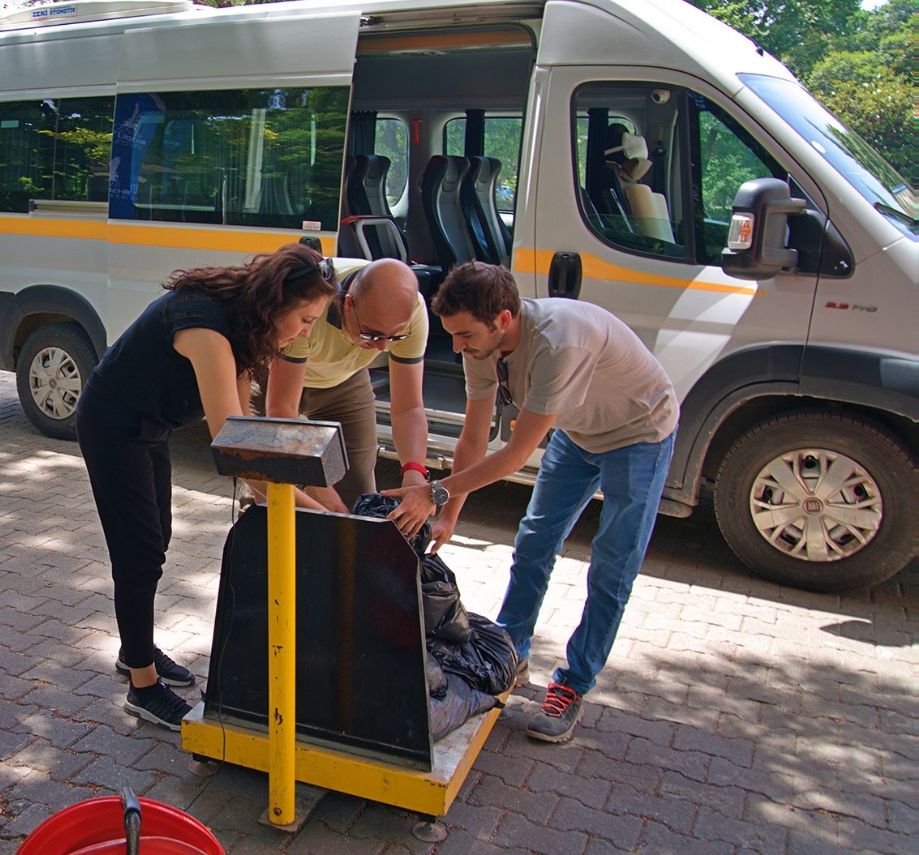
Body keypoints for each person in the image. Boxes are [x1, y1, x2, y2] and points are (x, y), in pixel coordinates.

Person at [383, 262, 677, 743]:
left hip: (638, 434)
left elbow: (515, 455)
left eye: (464, 335)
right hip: (579, 432)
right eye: (451, 335)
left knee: (611, 567)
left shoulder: (559, 342)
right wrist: (449, 516)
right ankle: (509, 652)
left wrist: (434, 493)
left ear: (503, 318)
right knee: (535, 542)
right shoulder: (481, 345)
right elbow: (475, 436)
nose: (456, 346)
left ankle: (573, 685)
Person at [76, 244, 338, 730]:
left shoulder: (242, 325)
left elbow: (246, 428)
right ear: (276, 302)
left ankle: (136, 649)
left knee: (159, 537)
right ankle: (143, 686)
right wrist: (313, 510)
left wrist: (297, 480)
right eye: (304, 319)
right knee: (140, 553)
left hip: (149, 425)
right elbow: (233, 450)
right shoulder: (207, 329)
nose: (306, 332)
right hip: (112, 426)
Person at [259, 257, 431, 519]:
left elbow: (408, 407)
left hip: (343, 380)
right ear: (348, 303)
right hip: (274, 375)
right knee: (273, 490)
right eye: (372, 334)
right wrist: (320, 489)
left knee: (359, 493)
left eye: (394, 336)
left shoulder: (413, 314)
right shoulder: (310, 305)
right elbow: (282, 409)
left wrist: (415, 473)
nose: (382, 347)